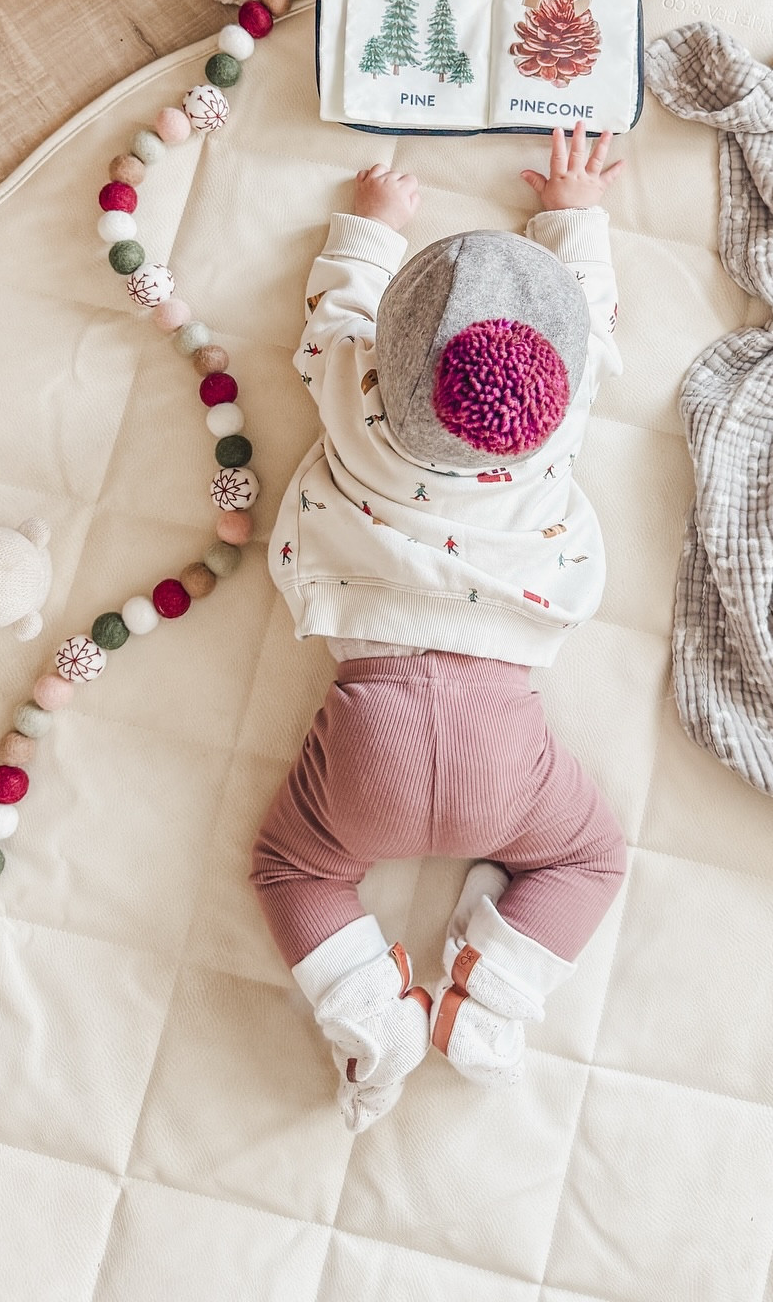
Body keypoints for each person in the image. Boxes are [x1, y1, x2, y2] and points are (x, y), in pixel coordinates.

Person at [251, 124, 628, 1131]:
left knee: (296, 869)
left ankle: (376, 1012)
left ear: (387, 363)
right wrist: (575, 210)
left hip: (370, 725)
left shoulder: (353, 395)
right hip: (503, 735)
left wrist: (368, 226)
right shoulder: (563, 418)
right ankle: (493, 997)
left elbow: (330, 313)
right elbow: (591, 307)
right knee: (588, 861)